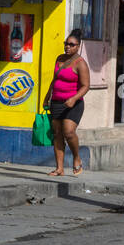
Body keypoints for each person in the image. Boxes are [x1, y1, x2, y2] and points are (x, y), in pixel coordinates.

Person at [44, 29, 90, 176]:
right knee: (57, 134)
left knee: (68, 132)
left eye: (71, 44)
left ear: (78, 46)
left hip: (73, 104)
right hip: (56, 102)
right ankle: (59, 168)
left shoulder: (80, 64)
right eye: (66, 43)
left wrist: (74, 98)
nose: (67, 46)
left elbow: (86, 86)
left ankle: (76, 158)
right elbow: (55, 79)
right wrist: (47, 96)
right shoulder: (59, 59)